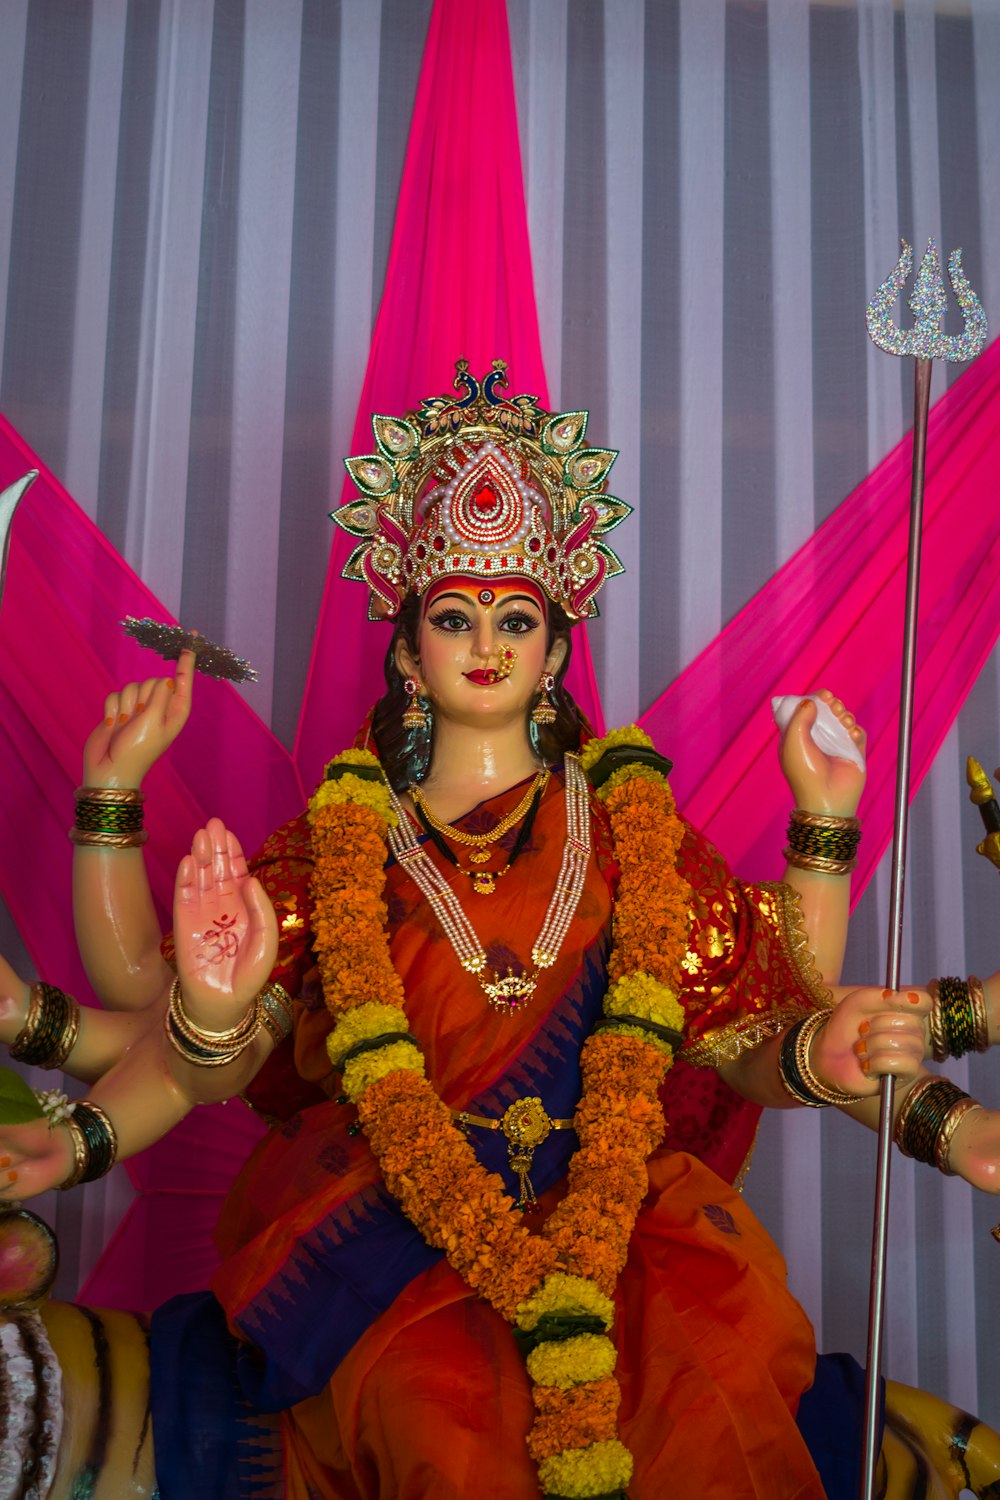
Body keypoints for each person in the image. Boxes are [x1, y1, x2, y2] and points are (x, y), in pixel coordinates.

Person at [1, 362, 999, 1500]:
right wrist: (91, 1130)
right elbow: (195, 1047)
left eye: (516, 617)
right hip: (390, 1242)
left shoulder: (635, 841)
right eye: (455, 616)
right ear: (409, 648)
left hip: (636, 1239)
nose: (487, 643)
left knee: (709, 1401)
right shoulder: (337, 852)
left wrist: (877, 1093)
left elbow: (751, 1036)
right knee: (434, 1422)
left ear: (557, 648)